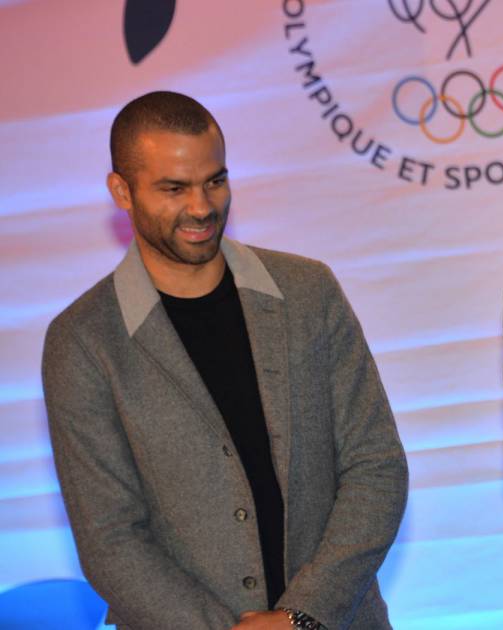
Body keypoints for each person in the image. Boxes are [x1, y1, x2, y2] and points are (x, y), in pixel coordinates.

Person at [41, 91, 408, 630]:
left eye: (215, 180)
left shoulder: (308, 292)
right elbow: (110, 538)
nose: (201, 206)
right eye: (174, 188)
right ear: (122, 190)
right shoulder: (83, 341)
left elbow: (376, 467)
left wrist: (301, 615)